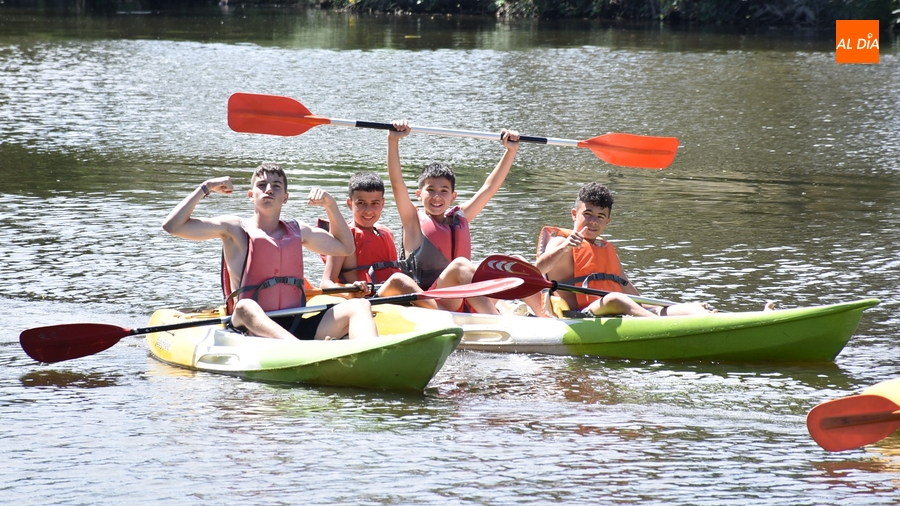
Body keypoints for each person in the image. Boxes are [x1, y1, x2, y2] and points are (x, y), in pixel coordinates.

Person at [161, 163, 378, 340]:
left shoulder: (298, 231)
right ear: (250, 195)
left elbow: (345, 247)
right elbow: (173, 226)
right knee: (245, 306)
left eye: (276, 186)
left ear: (285, 197)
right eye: (262, 185)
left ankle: (368, 355)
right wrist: (207, 186)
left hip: (294, 322)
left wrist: (330, 204)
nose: (268, 190)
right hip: (250, 326)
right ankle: (302, 351)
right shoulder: (234, 229)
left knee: (359, 305)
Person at [387, 119, 519, 314]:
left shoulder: (460, 218)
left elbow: (489, 188)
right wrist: (393, 140)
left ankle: (544, 316)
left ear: (453, 196)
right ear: (418, 194)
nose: (437, 197)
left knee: (513, 262)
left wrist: (511, 151)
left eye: (443, 191)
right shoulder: (412, 221)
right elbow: (397, 183)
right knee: (460, 266)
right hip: (433, 301)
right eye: (430, 190)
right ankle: (498, 322)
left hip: (462, 298)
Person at [534, 182, 714, 317]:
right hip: (580, 314)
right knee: (615, 299)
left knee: (692, 307)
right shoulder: (560, 243)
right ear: (574, 214)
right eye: (587, 214)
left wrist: (652, 307)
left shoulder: (605, 248)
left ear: (607, 221)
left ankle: (705, 320)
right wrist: (566, 247)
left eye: (600, 216)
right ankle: (664, 327)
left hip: (613, 309)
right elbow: (537, 271)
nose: (593, 222)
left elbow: (626, 286)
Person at [320, 171, 436, 309]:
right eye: (361, 203)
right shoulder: (344, 238)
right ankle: (447, 315)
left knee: (459, 266)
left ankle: (450, 311)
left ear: (382, 203)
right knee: (398, 280)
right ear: (350, 203)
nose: (368, 210)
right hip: (370, 300)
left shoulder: (386, 233)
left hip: (393, 297)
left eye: (374, 203)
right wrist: (350, 291)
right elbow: (326, 283)